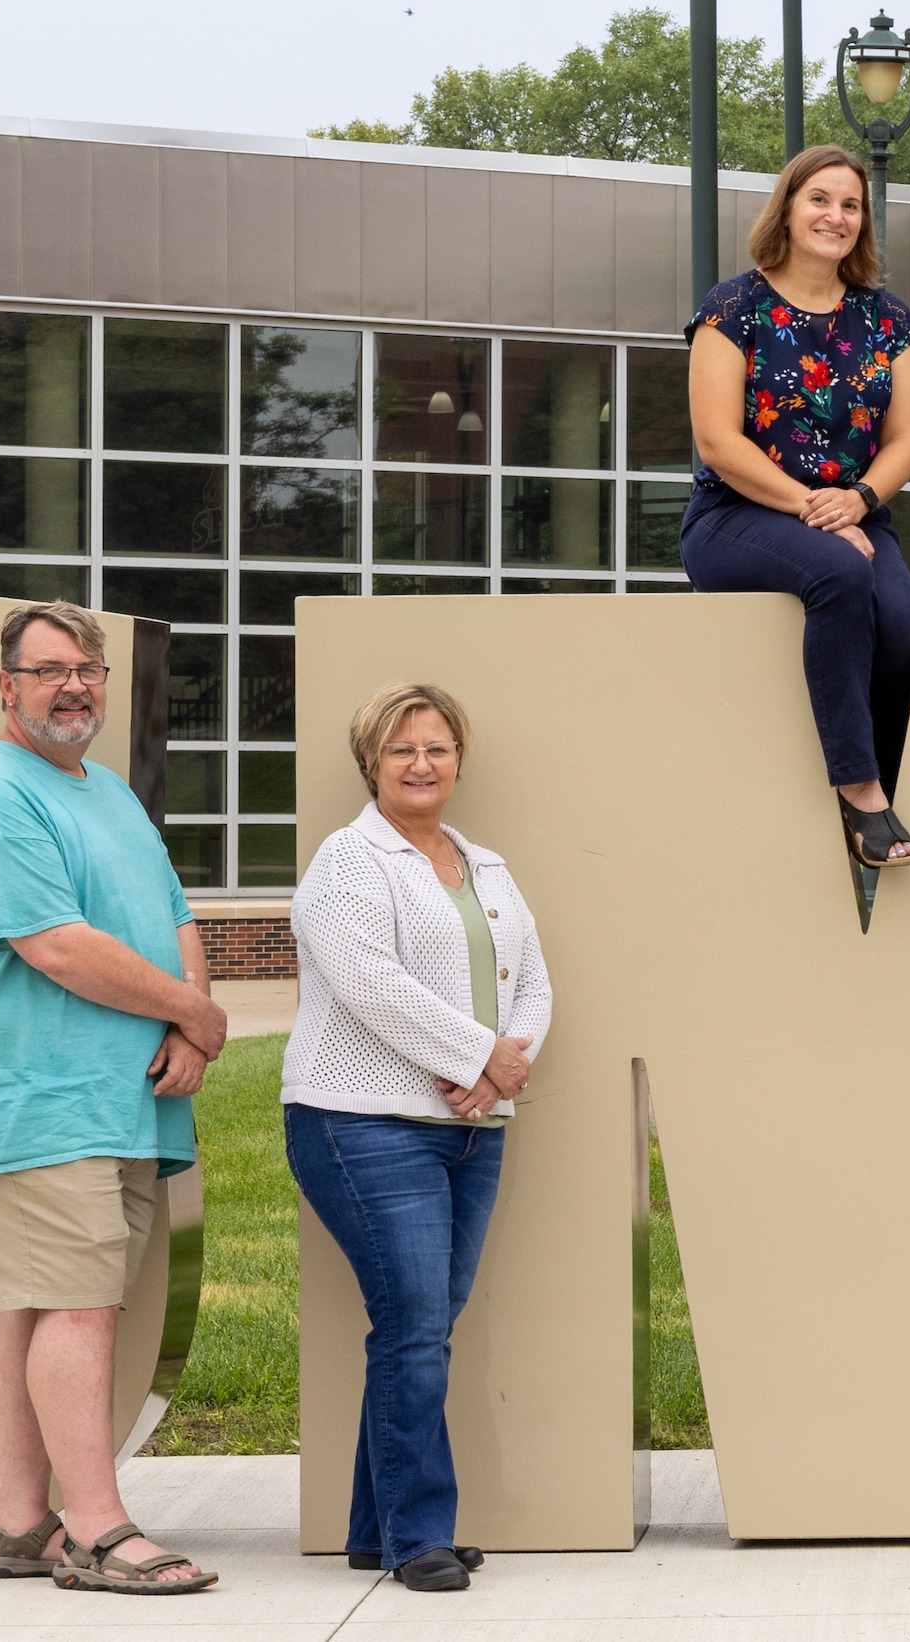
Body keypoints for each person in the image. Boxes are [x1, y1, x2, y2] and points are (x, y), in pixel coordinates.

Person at [0, 600, 226, 1597]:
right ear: (6, 686)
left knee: (36, 1308)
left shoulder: (105, 791)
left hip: (108, 1100)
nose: (74, 684)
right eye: (49, 668)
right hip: (32, 1103)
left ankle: (17, 1524)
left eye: (87, 668)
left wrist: (188, 1020)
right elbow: (51, 941)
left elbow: (173, 909)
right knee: (78, 1310)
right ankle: (96, 1530)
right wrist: (191, 1008)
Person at [282, 683, 552, 1594]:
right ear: (370, 763)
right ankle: (418, 1534)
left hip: (470, 1127)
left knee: (420, 1326)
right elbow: (369, 984)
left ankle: (376, 1525)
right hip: (361, 1124)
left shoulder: (485, 864)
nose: (421, 764)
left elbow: (533, 983)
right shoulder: (348, 860)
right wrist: (482, 1055)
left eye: (436, 748)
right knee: (415, 1329)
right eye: (401, 750)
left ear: (458, 759)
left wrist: (499, 1067)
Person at [682, 144, 910, 871]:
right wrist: (812, 510)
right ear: (787, 211)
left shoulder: (888, 320)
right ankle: (859, 796)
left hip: (854, 513)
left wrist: (855, 501)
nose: (836, 216)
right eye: (819, 199)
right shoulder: (732, 307)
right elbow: (717, 440)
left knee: (905, 622)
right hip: (737, 515)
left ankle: (881, 774)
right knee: (840, 578)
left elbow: (907, 440)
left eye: (850, 205)